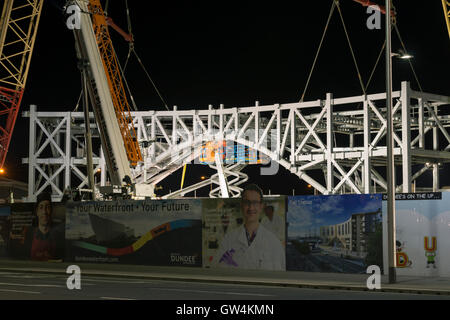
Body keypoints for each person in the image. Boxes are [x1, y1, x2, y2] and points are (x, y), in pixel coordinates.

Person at [212, 184, 285, 271]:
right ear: (242, 205)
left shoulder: (273, 242)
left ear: (261, 206)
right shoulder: (229, 239)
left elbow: (279, 276)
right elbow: (216, 268)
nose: (251, 207)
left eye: (255, 202)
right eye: (247, 202)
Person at [28, 192, 62, 261]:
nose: (44, 212)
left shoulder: (59, 236)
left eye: (48, 207)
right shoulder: (29, 235)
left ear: (51, 211)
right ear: (37, 211)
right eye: (41, 207)